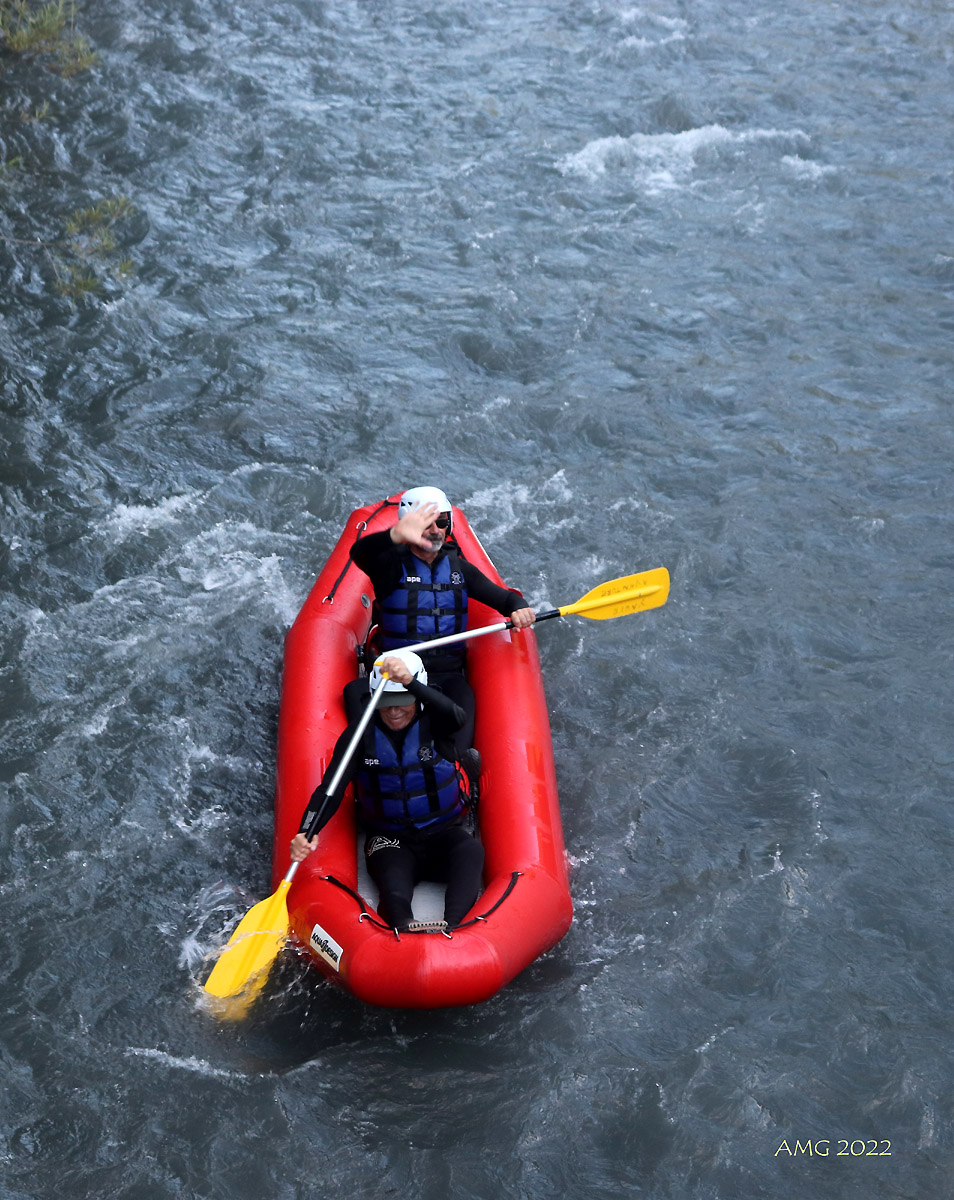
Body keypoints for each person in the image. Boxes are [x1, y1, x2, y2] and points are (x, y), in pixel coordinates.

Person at [290, 650, 484, 933]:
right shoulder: (359, 736)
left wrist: (410, 683)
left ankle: (455, 927)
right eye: (387, 703)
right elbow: (329, 790)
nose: (394, 711)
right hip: (391, 840)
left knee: (471, 851)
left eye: (402, 702)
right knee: (393, 892)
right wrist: (305, 832)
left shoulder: (436, 724)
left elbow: (457, 715)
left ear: (417, 697)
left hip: (443, 832)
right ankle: (401, 928)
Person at [347, 485, 535, 751]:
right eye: (426, 524)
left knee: (460, 719)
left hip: (446, 675)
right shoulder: (388, 565)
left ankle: (457, 770)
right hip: (399, 670)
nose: (435, 530)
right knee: (361, 705)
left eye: (441, 522)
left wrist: (519, 607)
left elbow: (505, 600)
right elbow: (360, 554)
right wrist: (394, 536)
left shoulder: (460, 570)